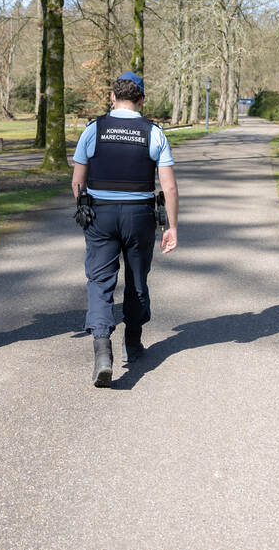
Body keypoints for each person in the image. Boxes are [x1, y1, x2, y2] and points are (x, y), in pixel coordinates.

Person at [71, 71, 178, 387]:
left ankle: (102, 350)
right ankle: (133, 341)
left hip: (100, 213)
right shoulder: (153, 133)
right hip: (139, 216)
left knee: (99, 281)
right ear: (142, 99)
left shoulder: (93, 130)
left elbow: (77, 181)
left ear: (112, 97)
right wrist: (171, 226)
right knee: (136, 279)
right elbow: (169, 188)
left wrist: (84, 208)